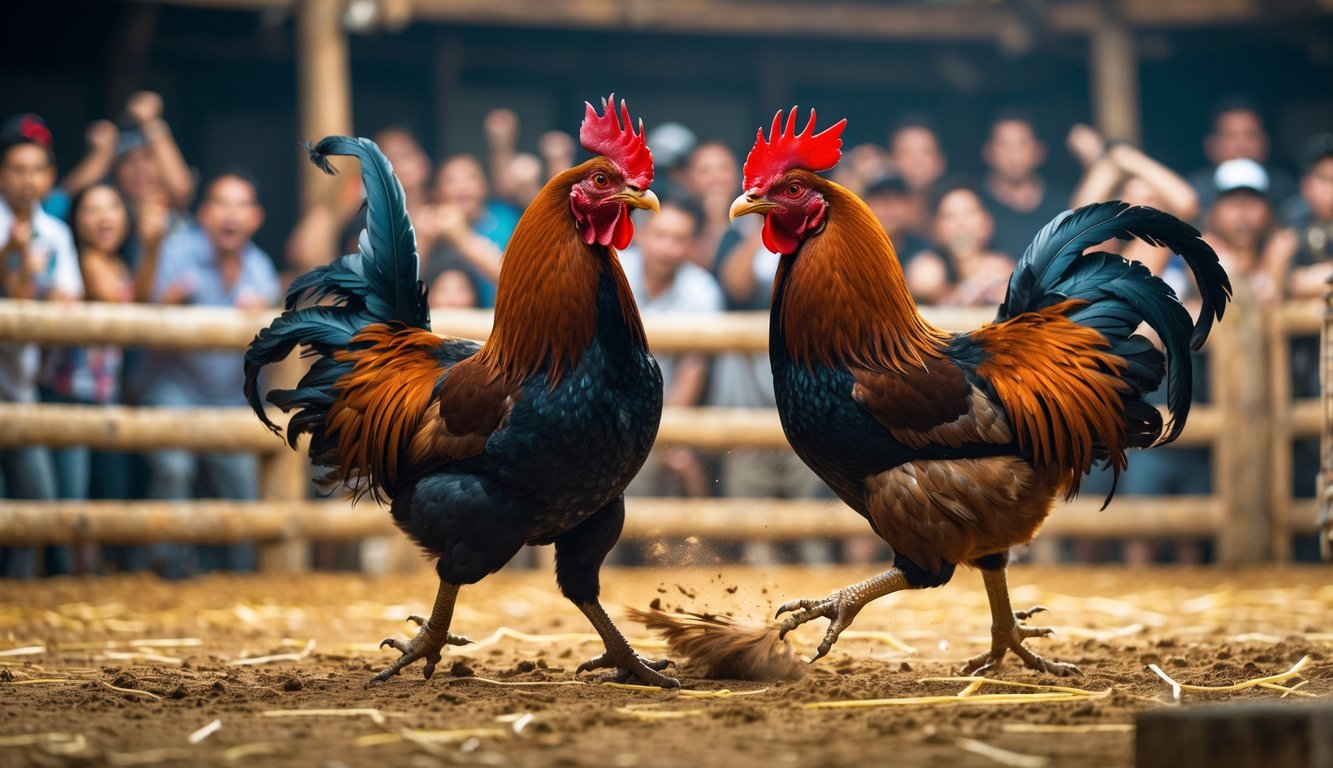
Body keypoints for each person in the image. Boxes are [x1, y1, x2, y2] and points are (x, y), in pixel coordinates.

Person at [134, 172, 279, 578]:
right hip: (173, 387)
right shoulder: (176, 251)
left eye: (241, 205)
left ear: (255, 217)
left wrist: (264, 316)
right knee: (174, 468)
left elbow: (277, 327)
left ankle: (242, 579)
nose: (230, 215)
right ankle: (166, 573)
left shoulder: (259, 266)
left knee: (243, 491)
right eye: (221, 203)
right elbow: (137, 310)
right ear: (204, 214)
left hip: (230, 397)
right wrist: (166, 305)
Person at [39, 184, 165, 573]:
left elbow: (139, 299)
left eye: (112, 206)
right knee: (72, 494)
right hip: (67, 391)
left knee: (103, 486)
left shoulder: (118, 263)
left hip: (100, 392)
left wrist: (153, 247)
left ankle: (90, 569)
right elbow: (119, 305)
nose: (104, 217)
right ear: (77, 221)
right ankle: (66, 575)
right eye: (92, 210)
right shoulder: (85, 261)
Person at [0, 133, 84, 578]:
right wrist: (10, 257)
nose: (27, 180)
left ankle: (22, 590)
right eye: (17, 169)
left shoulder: (55, 233)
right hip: (13, 381)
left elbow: (68, 299)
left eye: (36, 170)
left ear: (50, 178)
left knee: (38, 506)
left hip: (24, 386)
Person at [621, 197, 724, 500]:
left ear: (692, 244)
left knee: (666, 478)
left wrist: (664, 434)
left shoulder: (702, 290)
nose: (667, 248)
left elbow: (694, 367)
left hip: (661, 415)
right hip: (604, 412)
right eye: (660, 235)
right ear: (640, 234)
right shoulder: (612, 272)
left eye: (678, 239)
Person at [419, 154, 514, 307]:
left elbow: (518, 281)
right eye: (450, 181)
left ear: (485, 185)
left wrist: (462, 237)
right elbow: (393, 292)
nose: (462, 187)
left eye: (471, 178)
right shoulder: (427, 224)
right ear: (436, 192)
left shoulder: (504, 220)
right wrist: (423, 241)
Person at [979, 110, 1071, 261]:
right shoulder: (975, 205)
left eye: (1021, 144)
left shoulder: (1062, 204)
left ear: (1039, 152)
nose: (1013, 154)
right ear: (989, 152)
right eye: (1004, 145)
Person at [906, 183, 1014, 306]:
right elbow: (922, 283)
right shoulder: (928, 266)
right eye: (950, 216)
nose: (961, 223)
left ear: (986, 222)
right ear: (936, 229)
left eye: (969, 213)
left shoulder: (1002, 268)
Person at [1187, 97, 1297, 217]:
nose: (1241, 145)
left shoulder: (1286, 190)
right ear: (1211, 145)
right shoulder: (1193, 191)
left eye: (1250, 135)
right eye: (1230, 135)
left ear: (1266, 142)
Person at [681, 140, 742, 270]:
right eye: (704, 171)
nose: (716, 178)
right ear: (689, 181)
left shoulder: (757, 222)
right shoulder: (678, 221)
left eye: (724, 169)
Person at [887, 117, 948, 238]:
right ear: (890, 160)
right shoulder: (874, 212)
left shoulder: (951, 212)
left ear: (940, 163)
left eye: (926, 152)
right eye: (906, 152)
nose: (916, 161)